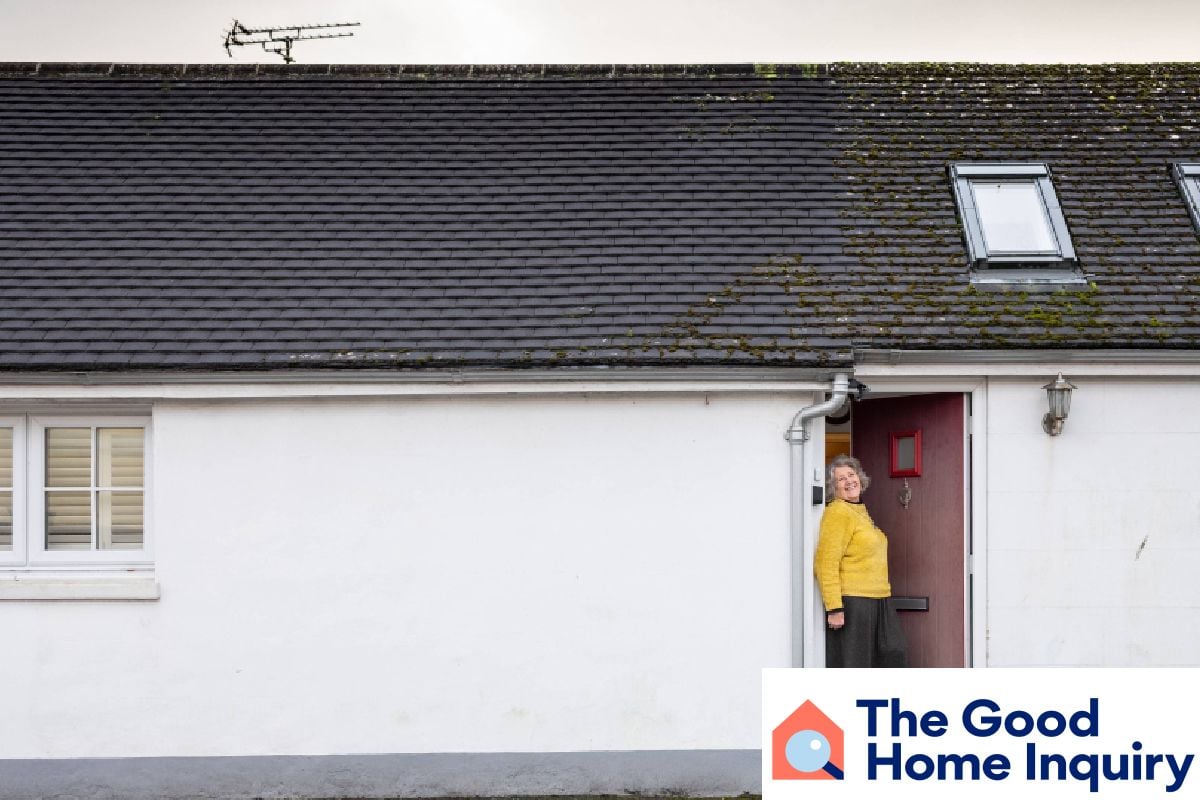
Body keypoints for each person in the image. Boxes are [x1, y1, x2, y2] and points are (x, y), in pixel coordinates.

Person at [814, 454, 907, 668]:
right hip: (855, 601)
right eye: (841, 479)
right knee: (856, 664)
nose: (848, 481)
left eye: (851, 475)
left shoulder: (860, 512)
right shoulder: (838, 512)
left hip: (879, 597)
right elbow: (825, 562)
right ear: (833, 488)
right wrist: (834, 608)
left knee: (893, 653)